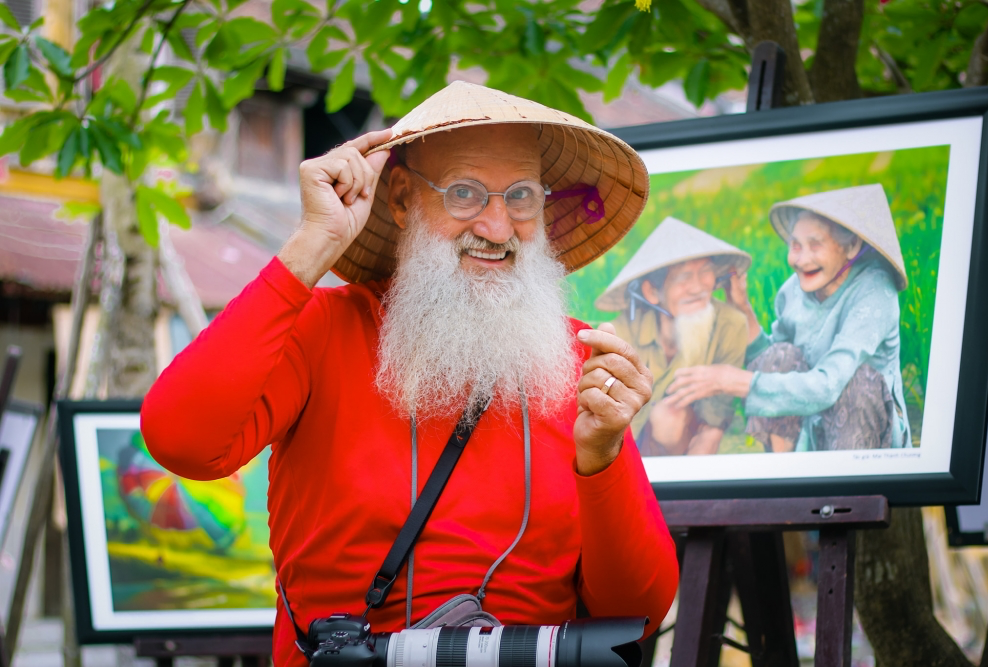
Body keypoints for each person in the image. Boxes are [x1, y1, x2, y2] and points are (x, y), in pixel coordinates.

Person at [140, 82, 679, 667]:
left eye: (521, 195)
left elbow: (638, 612)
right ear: (399, 199)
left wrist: (603, 453)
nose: (498, 228)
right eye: (465, 193)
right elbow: (181, 441)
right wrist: (311, 245)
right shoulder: (324, 330)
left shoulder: (576, 359)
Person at [663, 184, 911, 452]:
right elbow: (773, 362)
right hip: (811, 432)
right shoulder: (792, 291)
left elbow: (829, 385)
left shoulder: (875, 292)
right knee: (779, 356)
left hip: (863, 439)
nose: (800, 259)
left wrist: (731, 380)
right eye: (795, 245)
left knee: (858, 382)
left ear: (851, 246)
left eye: (815, 245)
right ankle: (785, 472)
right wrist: (742, 308)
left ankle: (847, 488)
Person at [594, 217, 750, 456]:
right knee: (664, 418)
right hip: (628, 441)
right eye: (683, 278)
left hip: (689, 431)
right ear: (652, 292)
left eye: (705, 272)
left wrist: (711, 434)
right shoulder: (623, 332)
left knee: (671, 416)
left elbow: (719, 405)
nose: (698, 288)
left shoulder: (730, 324)